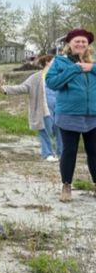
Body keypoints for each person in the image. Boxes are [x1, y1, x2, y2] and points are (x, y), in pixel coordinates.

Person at [45, 28, 96, 202]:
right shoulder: (60, 62)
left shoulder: (93, 64)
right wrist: (75, 69)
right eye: (77, 41)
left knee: (94, 152)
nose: (81, 44)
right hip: (69, 115)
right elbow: (52, 83)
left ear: (88, 44)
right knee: (69, 151)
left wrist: (92, 68)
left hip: (93, 116)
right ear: (69, 44)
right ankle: (66, 186)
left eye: (84, 41)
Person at [1, 54, 59, 162]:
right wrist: (6, 89)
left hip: (60, 109)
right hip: (44, 110)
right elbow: (24, 87)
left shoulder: (59, 75)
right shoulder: (36, 77)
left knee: (60, 131)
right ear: (47, 62)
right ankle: (47, 154)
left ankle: (61, 154)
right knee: (44, 132)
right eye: (55, 61)